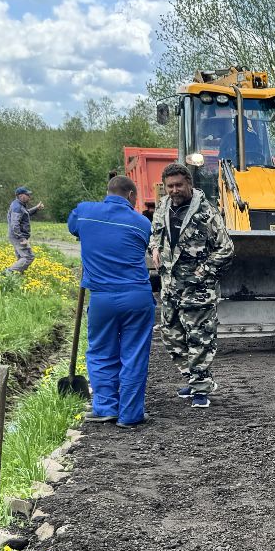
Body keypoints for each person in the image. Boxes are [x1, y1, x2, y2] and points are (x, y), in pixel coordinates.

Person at [68, 175, 153, 427]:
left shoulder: (84, 211)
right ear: (130, 196)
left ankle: (105, 407)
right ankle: (130, 415)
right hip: (137, 296)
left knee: (101, 352)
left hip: (102, 298)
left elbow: (73, 228)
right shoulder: (141, 222)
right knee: (134, 354)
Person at [150, 162, 233, 408]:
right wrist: (154, 247)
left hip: (197, 289)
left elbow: (226, 249)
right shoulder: (163, 207)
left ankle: (200, 389)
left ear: (189, 184)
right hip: (171, 286)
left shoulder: (206, 212)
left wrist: (203, 272)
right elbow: (156, 233)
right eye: (170, 186)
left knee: (199, 339)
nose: (174, 190)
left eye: (179, 185)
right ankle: (196, 378)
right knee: (171, 336)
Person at [5, 187, 43, 274]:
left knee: (21, 257)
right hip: (18, 237)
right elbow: (15, 225)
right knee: (28, 257)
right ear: (21, 196)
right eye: (27, 195)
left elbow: (26, 213)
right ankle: (9, 272)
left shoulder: (19, 205)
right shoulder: (17, 207)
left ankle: (17, 276)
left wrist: (36, 208)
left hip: (15, 236)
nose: (29, 197)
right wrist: (22, 238)